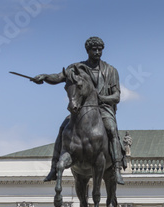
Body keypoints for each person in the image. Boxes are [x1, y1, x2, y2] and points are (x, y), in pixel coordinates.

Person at [33, 37, 125, 184]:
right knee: (63, 128)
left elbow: (116, 96)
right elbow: (58, 77)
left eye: (99, 49)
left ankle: (117, 168)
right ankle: (53, 168)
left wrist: (100, 97)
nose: (97, 52)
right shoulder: (76, 69)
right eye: (93, 49)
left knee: (112, 129)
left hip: (103, 108)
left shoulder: (111, 71)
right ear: (87, 51)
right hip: (81, 109)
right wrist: (44, 77)